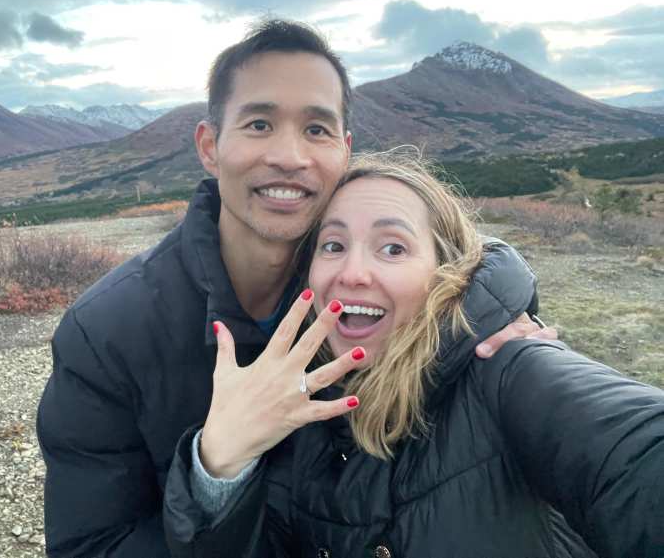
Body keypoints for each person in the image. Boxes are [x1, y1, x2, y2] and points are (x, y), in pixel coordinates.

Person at [37, 20, 553, 557]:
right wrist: (214, 468)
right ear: (210, 147)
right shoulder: (106, 332)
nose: (290, 156)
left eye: (316, 130)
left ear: (345, 151)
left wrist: (492, 320)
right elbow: (88, 545)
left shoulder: (362, 286)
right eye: (259, 124)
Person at [163, 155, 664, 558]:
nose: (353, 272)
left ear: (447, 272)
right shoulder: (294, 409)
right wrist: (220, 464)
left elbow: (636, 454)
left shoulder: (510, 368)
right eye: (333, 244)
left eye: (393, 249)